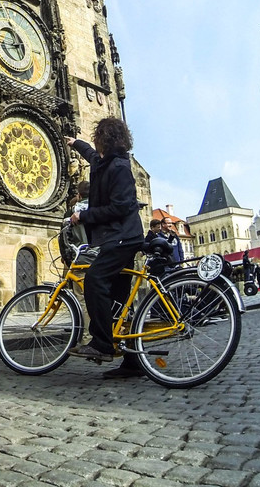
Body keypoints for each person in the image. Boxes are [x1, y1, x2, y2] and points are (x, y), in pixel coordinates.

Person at [65, 117, 145, 378]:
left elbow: (121, 207)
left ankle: (101, 343)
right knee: (121, 302)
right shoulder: (105, 161)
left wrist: (85, 216)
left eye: (98, 135)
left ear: (106, 138)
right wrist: (76, 142)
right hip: (118, 238)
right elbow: (90, 155)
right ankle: (133, 363)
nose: (96, 140)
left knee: (95, 282)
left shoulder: (120, 167)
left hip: (122, 238)